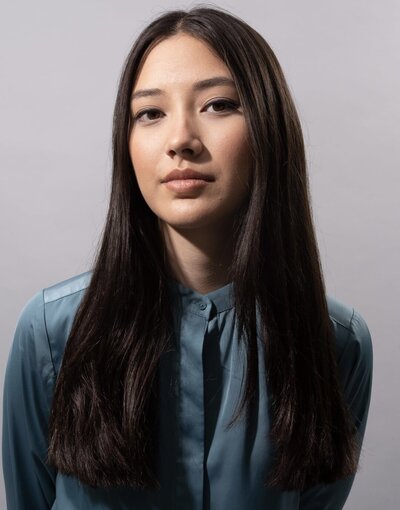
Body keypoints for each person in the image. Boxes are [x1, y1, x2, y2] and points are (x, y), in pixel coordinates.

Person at [2, 5, 373, 510]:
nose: (180, 141)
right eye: (150, 113)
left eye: (218, 104)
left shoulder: (335, 343)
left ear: (269, 128)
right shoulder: (52, 331)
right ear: (126, 142)